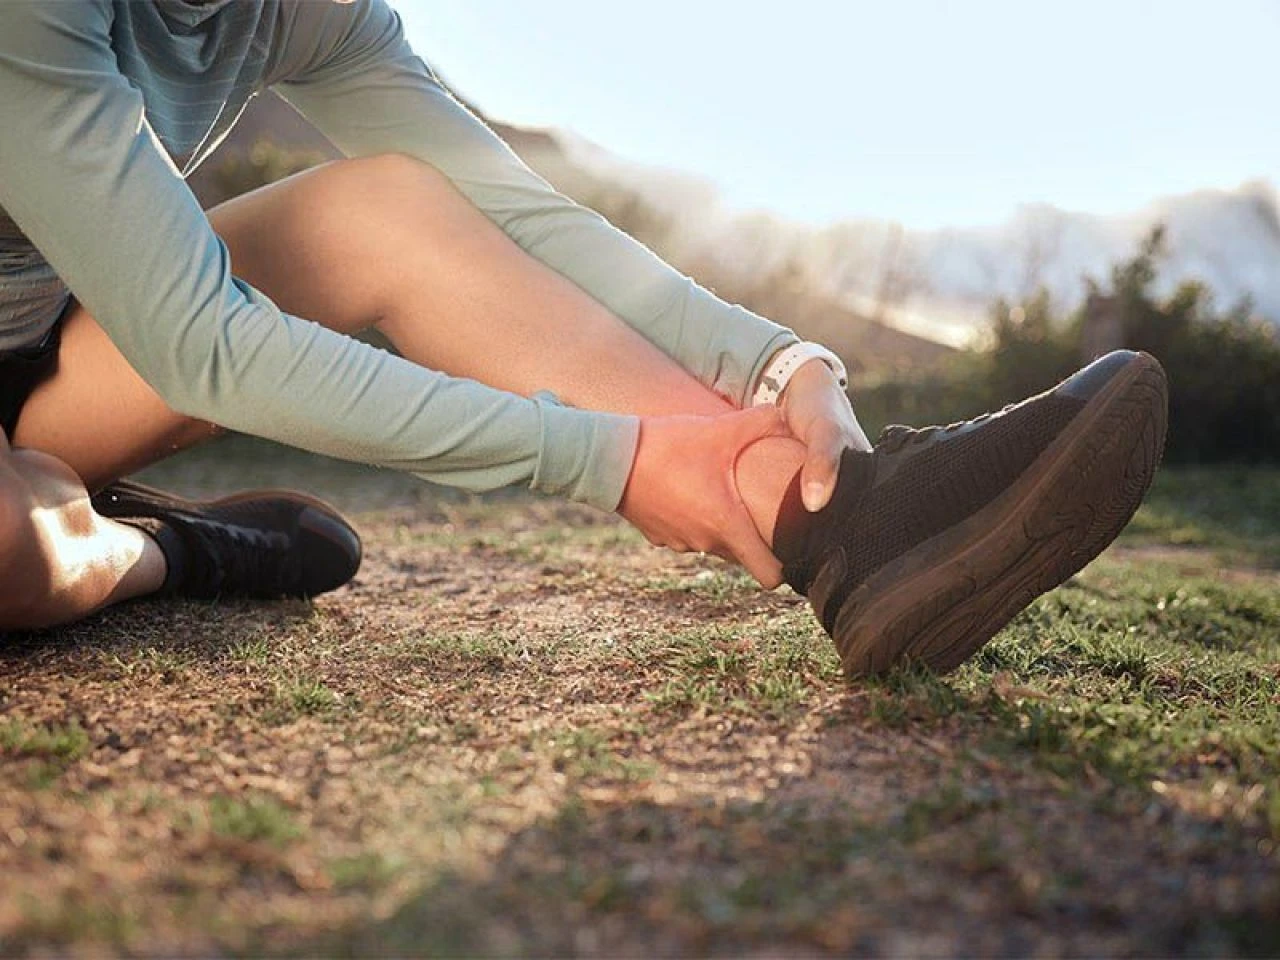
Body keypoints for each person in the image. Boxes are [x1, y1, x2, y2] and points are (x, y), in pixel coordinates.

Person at [0, 0, 1166, 676]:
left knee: (390, 205)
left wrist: (776, 357)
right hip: (134, 351)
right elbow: (201, 344)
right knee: (11, 545)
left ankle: (838, 518)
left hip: (46, 361)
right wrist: (603, 456)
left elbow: (515, 209)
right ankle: (176, 552)